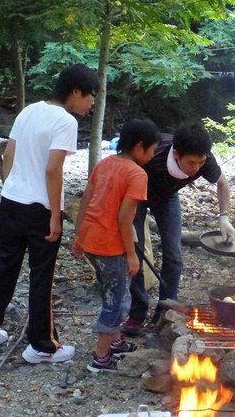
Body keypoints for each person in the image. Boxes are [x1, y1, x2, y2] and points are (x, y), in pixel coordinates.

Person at [0, 64, 99, 364]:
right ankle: (42, 346)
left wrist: (12, 188)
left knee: (2, 268)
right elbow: (53, 170)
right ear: (75, 91)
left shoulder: (29, 111)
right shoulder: (65, 121)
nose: (92, 103)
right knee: (42, 276)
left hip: (11, 201)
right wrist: (54, 215)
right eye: (91, 95)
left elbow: (9, 154)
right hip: (40, 209)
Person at [121, 122, 235, 335]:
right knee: (135, 251)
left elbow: (222, 183)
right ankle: (137, 313)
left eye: (200, 162)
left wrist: (224, 217)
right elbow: (124, 171)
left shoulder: (204, 160)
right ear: (176, 154)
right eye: (191, 163)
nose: (196, 168)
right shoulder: (153, 154)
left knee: (174, 255)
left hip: (167, 198)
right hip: (135, 195)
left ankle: (165, 310)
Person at [71, 118, 160, 373]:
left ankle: (116, 341)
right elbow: (124, 218)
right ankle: (100, 357)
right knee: (118, 301)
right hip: (111, 246)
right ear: (140, 147)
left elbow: (86, 200)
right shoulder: (137, 174)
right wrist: (132, 256)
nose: (153, 155)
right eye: (152, 150)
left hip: (92, 241)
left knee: (112, 290)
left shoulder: (105, 164)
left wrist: (79, 236)